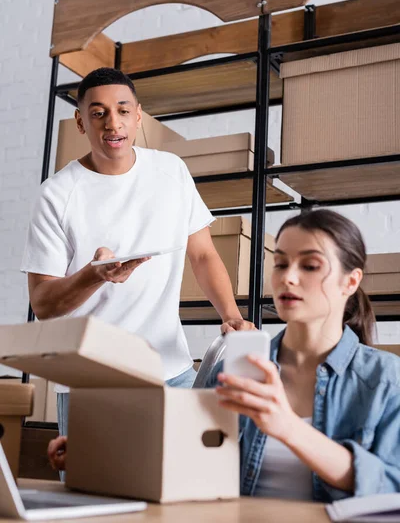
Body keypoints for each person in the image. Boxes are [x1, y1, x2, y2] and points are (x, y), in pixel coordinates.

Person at [21, 67, 251, 437]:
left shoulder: (170, 171)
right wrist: (93, 275)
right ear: (81, 122)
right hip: (92, 381)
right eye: (99, 113)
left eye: (123, 111)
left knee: (188, 485)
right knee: (95, 493)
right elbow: (42, 304)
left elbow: (203, 255)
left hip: (171, 370)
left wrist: (231, 316)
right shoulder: (57, 194)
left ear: (138, 115)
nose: (113, 123)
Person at [211, 209, 400, 502]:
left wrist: (288, 427)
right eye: (280, 263)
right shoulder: (231, 370)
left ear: (350, 282)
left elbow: (392, 485)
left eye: (310, 266)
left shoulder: (387, 380)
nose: (288, 277)